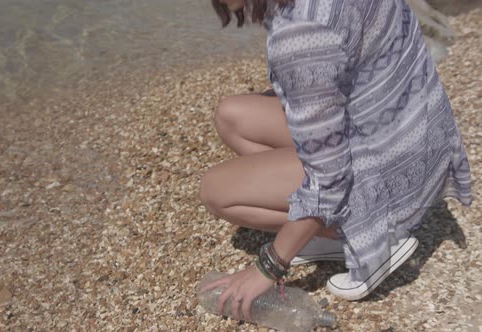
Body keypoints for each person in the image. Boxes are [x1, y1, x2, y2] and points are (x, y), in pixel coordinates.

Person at [199, 0, 472, 322]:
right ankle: (333, 231)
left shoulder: (301, 31)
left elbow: (329, 177)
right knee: (232, 117)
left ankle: (374, 238)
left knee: (216, 191)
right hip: (414, 137)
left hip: (388, 163)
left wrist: (268, 267)